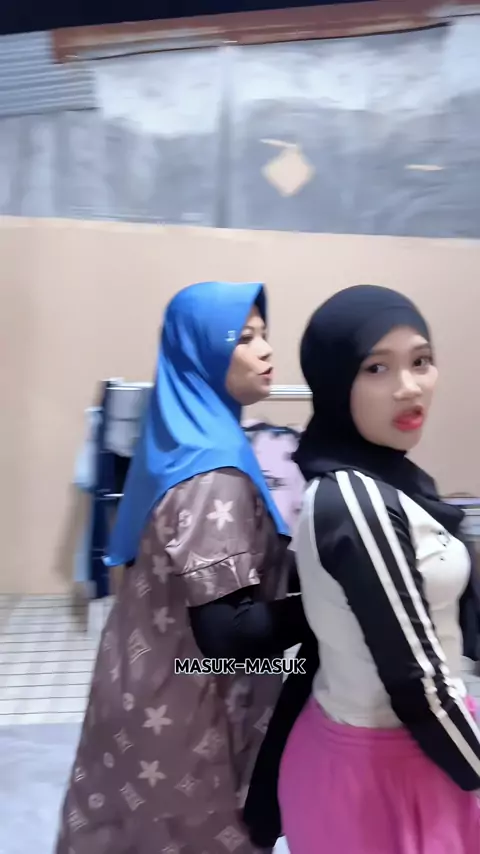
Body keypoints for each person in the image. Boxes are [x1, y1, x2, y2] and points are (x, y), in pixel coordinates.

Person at [55, 281, 309, 854]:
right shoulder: (214, 474)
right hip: (186, 708)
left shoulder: (182, 439)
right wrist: (331, 606)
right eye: (244, 338)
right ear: (202, 353)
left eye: (264, 334)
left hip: (138, 681)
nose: (266, 349)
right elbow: (227, 633)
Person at [247, 285, 480, 854]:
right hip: (385, 772)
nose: (409, 386)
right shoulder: (357, 503)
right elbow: (417, 685)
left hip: (411, 749)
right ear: (334, 382)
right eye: (377, 368)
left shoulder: (389, 477)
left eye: (421, 361)